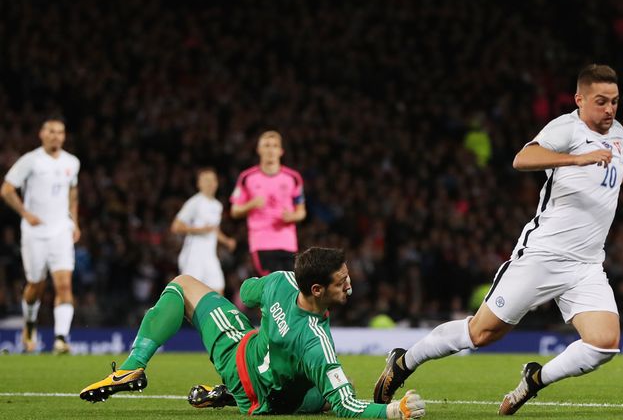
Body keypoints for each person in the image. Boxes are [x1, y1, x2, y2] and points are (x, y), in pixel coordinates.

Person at [373, 64, 623, 416]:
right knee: (480, 334)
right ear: (580, 99)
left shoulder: (617, 132)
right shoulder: (565, 128)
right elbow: (523, 158)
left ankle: (536, 379)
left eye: (615, 102)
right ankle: (403, 362)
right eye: (601, 102)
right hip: (541, 255)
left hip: (586, 264)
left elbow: (621, 158)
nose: (610, 110)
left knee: (604, 343)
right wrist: (576, 160)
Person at [80, 247, 426, 419]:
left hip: (241, 350)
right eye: (342, 281)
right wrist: (396, 411)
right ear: (318, 289)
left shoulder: (281, 281)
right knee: (326, 394)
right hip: (259, 389)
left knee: (182, 285)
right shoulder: (315, 344)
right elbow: (346, 405)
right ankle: (231, 392)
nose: (350, 283)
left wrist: (267, 302)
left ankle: (134, 364)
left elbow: (246, 292)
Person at [1, 118, 81, 354]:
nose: (56, 136)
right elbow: (6, 189)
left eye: (60, 132)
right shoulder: (31, 160)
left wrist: (74, 222)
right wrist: (25, 213)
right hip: (35, 233)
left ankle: (61, 339)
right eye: (51, 132)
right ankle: (30, 323)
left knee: (64, 284)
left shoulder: (72, 162)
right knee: (36, 285)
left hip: (61, 231)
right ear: (42, 134)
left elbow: (72, 192)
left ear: (64, 136)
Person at [230, 130, 306, 276]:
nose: (270, 150)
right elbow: (235, 210)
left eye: (274, 146)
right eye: (266, 145)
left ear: (281, 151)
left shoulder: (293, 178)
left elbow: (301, 211)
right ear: (259, 150)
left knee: (291, 285)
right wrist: (251, 204)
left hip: (288, 242)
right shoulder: (247, 177)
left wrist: (292, 216)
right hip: (262, 242)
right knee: (272, 285)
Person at [171, 167, 236, 295]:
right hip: (193, 256)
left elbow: (214, 230)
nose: (209, 183)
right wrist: (200, 230)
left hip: (210, 256)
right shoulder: (194, 202)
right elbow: (176, 226)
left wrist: (227, 241)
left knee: (218, 292)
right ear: (199, 184)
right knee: (190, 294)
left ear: (217, 183)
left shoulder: (217, 205)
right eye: (206, 180)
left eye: (212, 180)